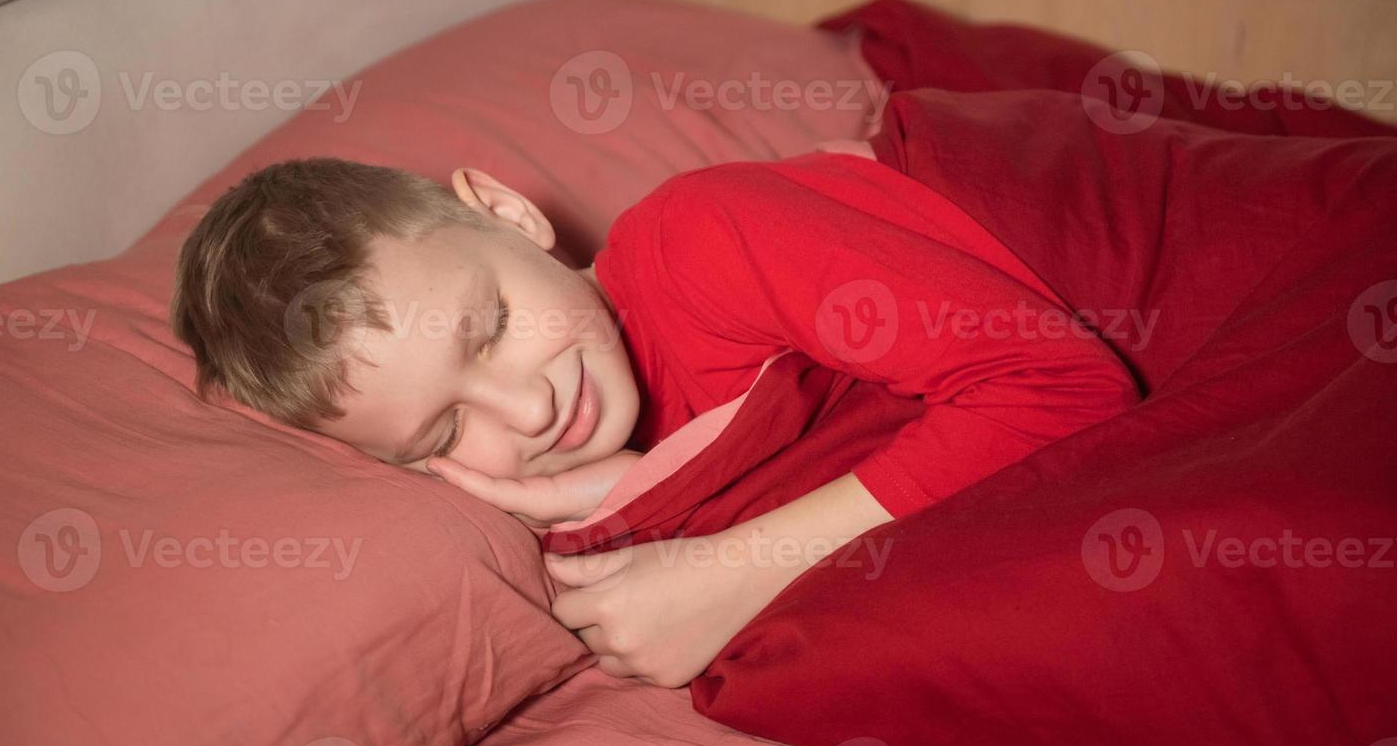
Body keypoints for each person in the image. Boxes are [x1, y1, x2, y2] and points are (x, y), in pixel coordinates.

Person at [172, 144, 1139, 687]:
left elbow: (1061, 386)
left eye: (494, 325)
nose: (531, 406)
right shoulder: (566, 508)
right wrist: (647, 488)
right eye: (445, 434)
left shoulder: (700, 240)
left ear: (509, 215)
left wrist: (730, 568)